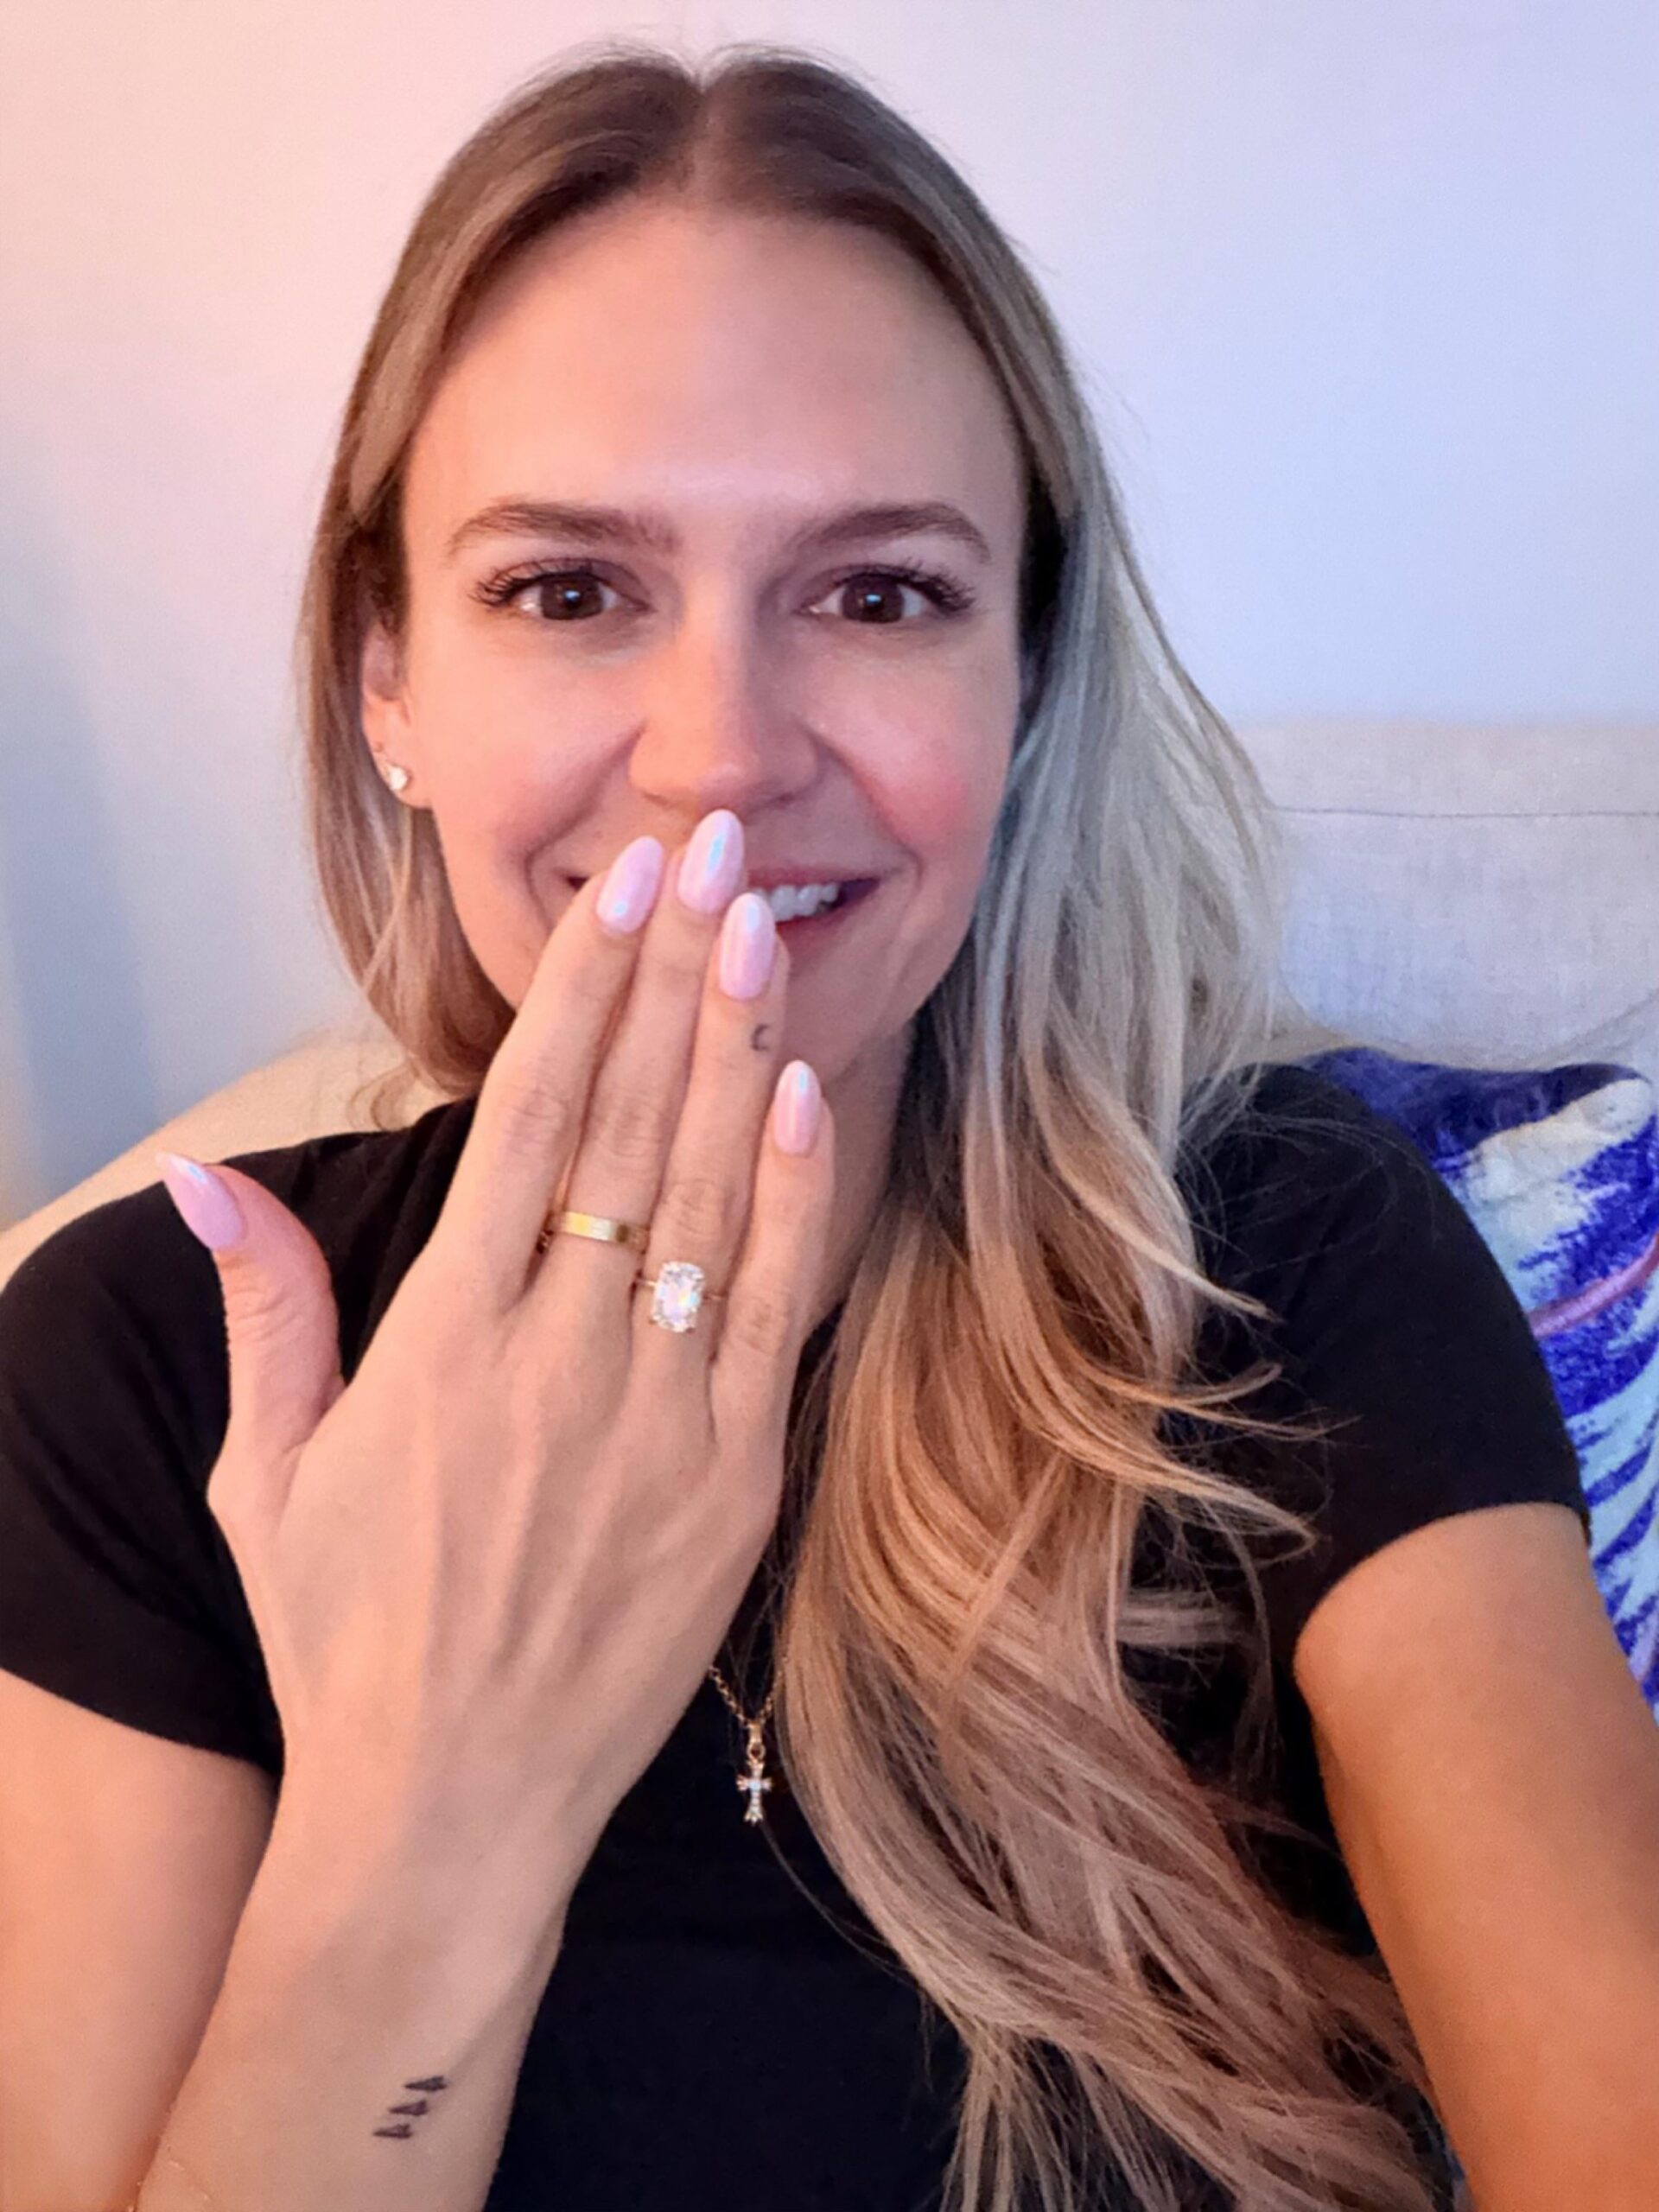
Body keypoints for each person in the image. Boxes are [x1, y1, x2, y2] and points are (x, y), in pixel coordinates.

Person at [0, 38, 1653, 2212]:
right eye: (568, 589)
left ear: (1026, 679)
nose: (720, 755)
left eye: (879, 594)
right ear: (387, 680)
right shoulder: (138, 1357)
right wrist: (446, 1807)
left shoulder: (1291, 1264)